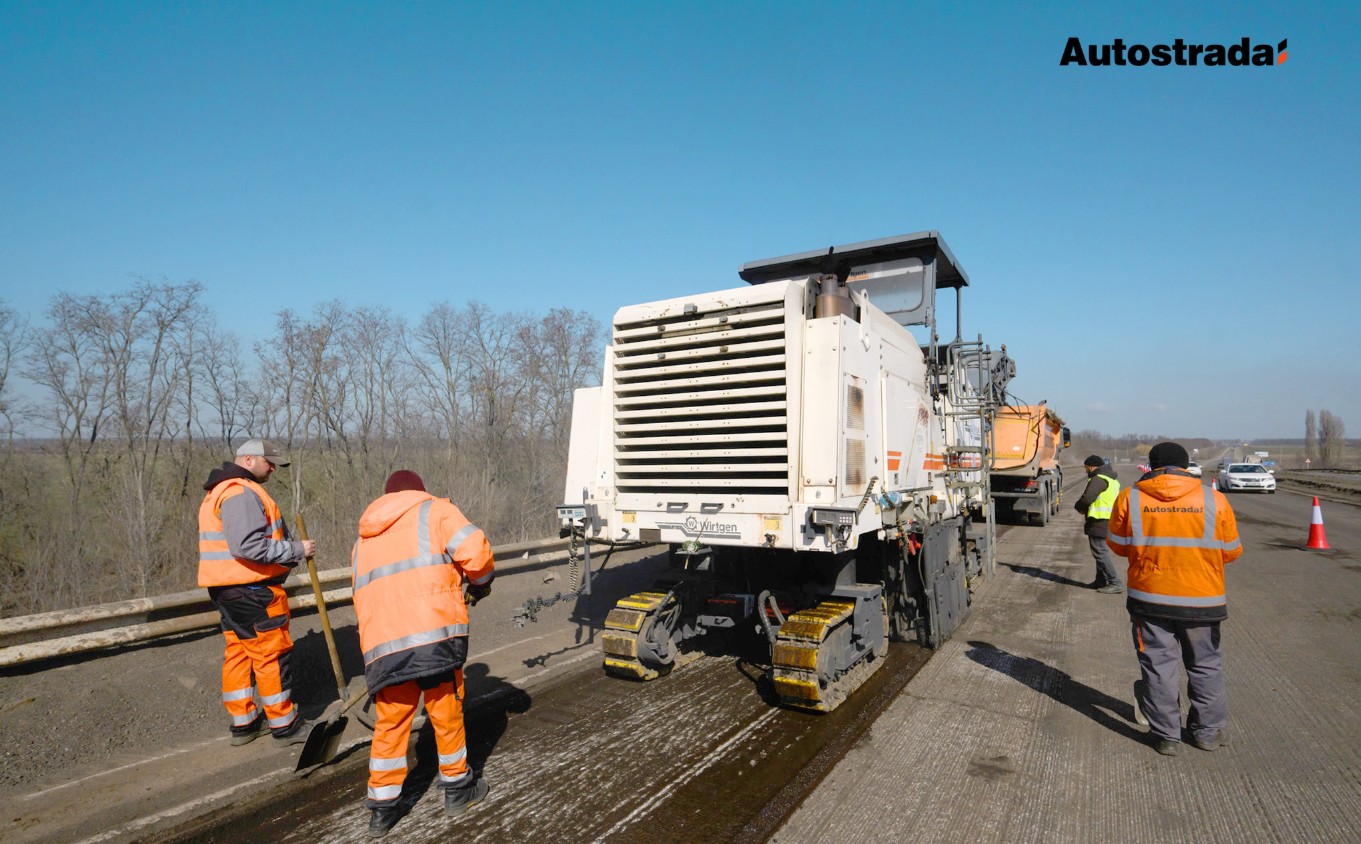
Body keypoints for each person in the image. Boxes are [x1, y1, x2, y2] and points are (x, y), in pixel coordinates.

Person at [353, 469, 496, 838]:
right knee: (445, 713)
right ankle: (457, 790)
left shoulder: (363, 539)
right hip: (433, 638)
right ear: (419, 490)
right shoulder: (435, 511)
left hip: (383, 648)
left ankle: (382, 811)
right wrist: (480, 585)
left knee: (391, 724)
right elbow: (476, 554)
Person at [1106, 441, 1241, 757]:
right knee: (1206, 665)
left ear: (1151, 466)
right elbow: (1232, 551)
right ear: (1185, 466)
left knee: (1158, 666)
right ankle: (1206, 733)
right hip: (1203, 601)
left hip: (1150, 601)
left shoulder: (1131, 497)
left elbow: (1117, 544)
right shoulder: (1214, 499)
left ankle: (1167, 736)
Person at [198, 438, 315, 746]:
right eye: (269, 462)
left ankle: (244, 723)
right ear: (248, 459)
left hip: (229, 590)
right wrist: (297, 549)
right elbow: (248, 545)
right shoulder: (239, 492)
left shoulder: (221, 491)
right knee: (270, 654)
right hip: (252, 590)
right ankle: (284, 725)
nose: (274, 468)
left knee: (239, 652)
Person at [1073, 455, 1123, 593]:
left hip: (1099, 520)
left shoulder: (1098, 479)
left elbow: (1087, 498)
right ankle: (1100, 580)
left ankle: (1115, 582)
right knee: (1100, 551)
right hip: (1108, 519)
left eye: (1086, 468)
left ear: (1092, 467)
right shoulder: (1111, 479)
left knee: (1100, 552)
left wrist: (1079, 507)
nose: (1085, 471)